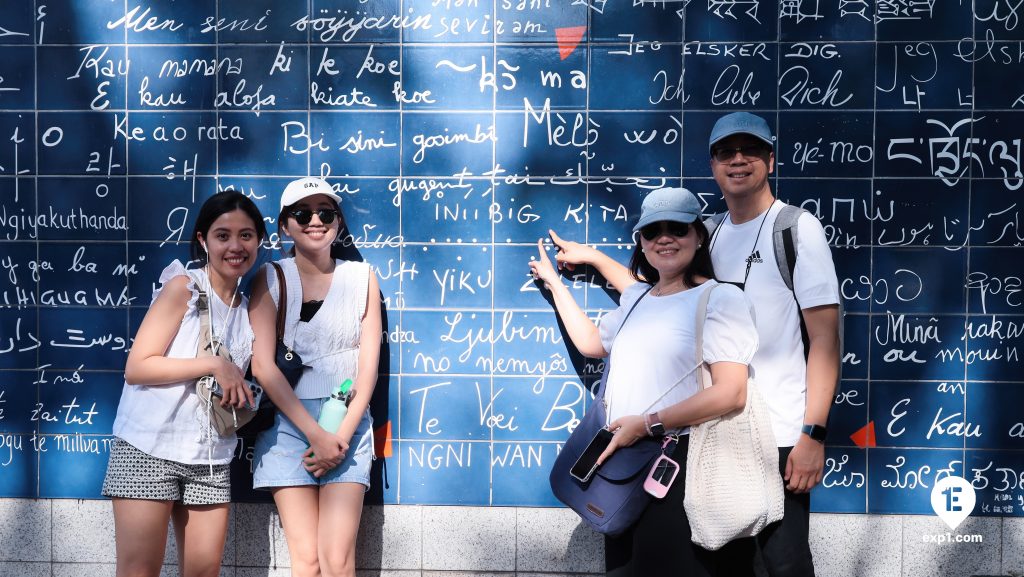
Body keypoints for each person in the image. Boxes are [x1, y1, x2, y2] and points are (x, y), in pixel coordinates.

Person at [547, 112, 841, 577]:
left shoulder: (796, 229)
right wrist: (596, 260)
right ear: (712, 164)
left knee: (784, 565)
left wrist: (813, 434)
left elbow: (825, 340)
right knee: (726, 565)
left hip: (781, 433)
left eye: (749, 150)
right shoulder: (713, 229)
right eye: (726, 151)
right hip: (716, 435)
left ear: (770, 158)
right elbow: (662, 298)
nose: (738, 160)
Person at [529, 187, 759, 576]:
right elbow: (590, 343)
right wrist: (556, 283)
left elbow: (732, 392)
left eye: (677, 229)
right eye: (652, 231)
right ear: (641, 240)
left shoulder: (720, 300)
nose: (664, 239)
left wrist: (649, 423)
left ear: (698, 235)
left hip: (676, 463)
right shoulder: (637, 299)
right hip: (620, 460)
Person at [103, 191, 266, 577]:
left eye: (246, 235)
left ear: (259, 241)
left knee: (203, 570)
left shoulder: (248, 309)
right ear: (202, 240)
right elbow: (137, 367)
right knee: (139, 570)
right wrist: (214, 364)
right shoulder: (184, 288)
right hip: (148, 446)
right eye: (222, 235)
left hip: (210, 456)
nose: (235, 246)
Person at [249, 177, 381, 577]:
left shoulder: (363, 277)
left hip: (347, 425)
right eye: (303, 214)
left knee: (338, 561)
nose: (315, 221)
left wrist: (339, 437)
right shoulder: (270, 277)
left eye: (326, 213)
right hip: (288, 425)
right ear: (285, 225)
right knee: (305, 562)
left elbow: (368, 367)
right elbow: (263, 367)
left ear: (338, 222)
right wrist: (316, 435)